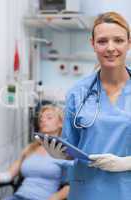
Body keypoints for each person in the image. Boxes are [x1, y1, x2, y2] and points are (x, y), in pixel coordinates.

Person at [43, 12, 131, 200]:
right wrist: (60, 154)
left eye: (118, 40)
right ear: (92, 44)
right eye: (102, 41)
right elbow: (71, 147)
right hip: (86, 191)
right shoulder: (78, 92)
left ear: (129, 43)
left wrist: (127, 163)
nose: (110, 48)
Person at [0, 104, 71, 200]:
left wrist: (55, 197)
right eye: (41, 118)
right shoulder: (30, 148)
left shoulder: (65, 152)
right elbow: (8, 175)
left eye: (49, 118)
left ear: (61, 123)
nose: (43, 120)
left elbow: (70, 185)